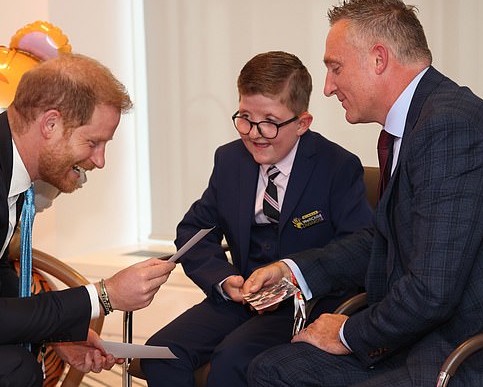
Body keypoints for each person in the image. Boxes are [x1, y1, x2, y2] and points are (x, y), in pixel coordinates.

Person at [244, 0, 483, 386]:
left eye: (336, 68)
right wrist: (295, 270)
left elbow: (432, 291)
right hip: (431, 339)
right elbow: (384, 237)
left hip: (477, 352)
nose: (328, 87)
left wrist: (347, 334)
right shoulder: (421, 123)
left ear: (378, 59)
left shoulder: (448, 128)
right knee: (273, 368)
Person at [0, 53, 176, 386]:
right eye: (93, 142)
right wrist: (103, 295)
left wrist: (61, 333)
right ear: (50, 124)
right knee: (13, 369)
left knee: (18, 360)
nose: (100, 160)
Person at [141, 51, 373, 387]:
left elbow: (359, 247)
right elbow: (194, 230)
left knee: (232, 361)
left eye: (269, 121)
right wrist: (223, 279)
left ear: (302, 123)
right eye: (245, 117)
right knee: (162, 352)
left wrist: (294, 274)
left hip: (305, 304)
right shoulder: (231, 160)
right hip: (242, 296)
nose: (254, 132)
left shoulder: (336, 166)